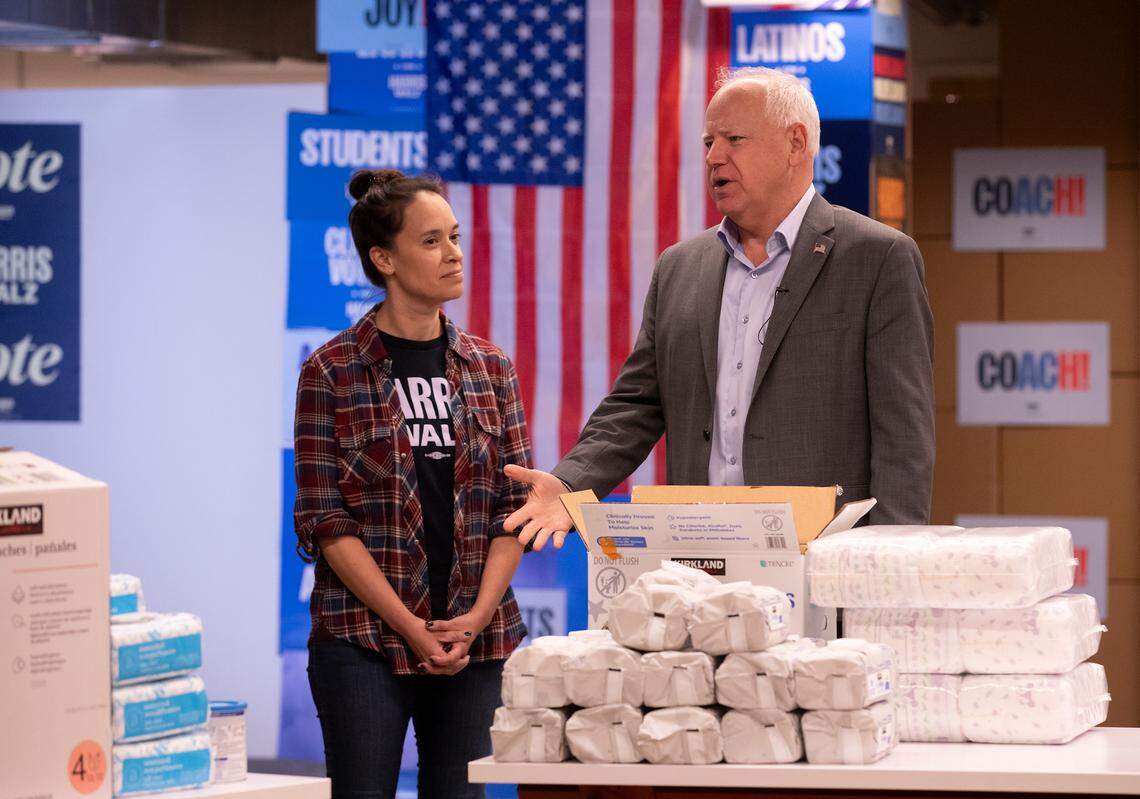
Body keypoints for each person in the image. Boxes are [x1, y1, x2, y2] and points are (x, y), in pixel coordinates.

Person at [504, 66, 935, 549]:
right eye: (709, 142)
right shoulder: (679, 267)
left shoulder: (877, 258)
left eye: (734, 138)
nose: (714, 157)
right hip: (699, 563)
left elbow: (904, 437)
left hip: (823, 563)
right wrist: (569, 484)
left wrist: (895, 558)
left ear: (795, 144)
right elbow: (637, 404)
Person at [293, 169, 531, 799]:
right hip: (363, 641)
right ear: (384, 259)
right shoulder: (331, 371)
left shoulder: (490, 368)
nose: (453, 254)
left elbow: (514, 507)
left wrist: (476, 617)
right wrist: (409, 625)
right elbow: (325, 521)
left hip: (473, 642)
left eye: (453, 237)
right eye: (431, 241)